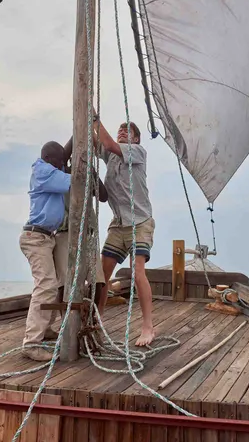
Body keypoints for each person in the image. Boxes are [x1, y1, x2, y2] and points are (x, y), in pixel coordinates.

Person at [93, 117, 156, 346]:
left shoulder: (138, 152)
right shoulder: (110, 157)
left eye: (127, 130)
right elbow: (95, 141)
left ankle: (148, 327)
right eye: (120, 129)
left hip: (140, 221)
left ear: (136, 138)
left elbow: (108, 143)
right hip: (119, 223)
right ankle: (96, 320)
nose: (122, 131)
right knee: (102, 274)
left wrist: (95, 117)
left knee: (137, 272)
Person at [46, 137, 109, 338]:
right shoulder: (59, 173)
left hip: (88, 234)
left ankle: (89, 320)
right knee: (64, 284)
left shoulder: (85, 173)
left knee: (98, 281)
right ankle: (67, 327)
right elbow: (63, 154)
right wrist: (81, 132)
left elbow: (104, 196)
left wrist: (90, 171)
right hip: (64, 233)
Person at [19, 141, 71, 362]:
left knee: (53, 282)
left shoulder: (48, 168)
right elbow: (73, 181)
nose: (63, 165)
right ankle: (31, 343)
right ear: (51, 159)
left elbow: (64, 156)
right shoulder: (43, 171)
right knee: (46, 285)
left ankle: (46, 329)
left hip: (45, 237)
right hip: (36, 237)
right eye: (60, 162)